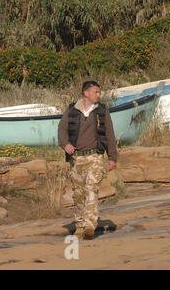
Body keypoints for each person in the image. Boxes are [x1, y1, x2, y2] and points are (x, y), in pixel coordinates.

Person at [58, 80, 117, 239]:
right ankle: (80, 226)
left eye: (99, 92)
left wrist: (112, 157)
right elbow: (62, 129)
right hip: (76, 159)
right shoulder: (72, 110)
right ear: (86, 93)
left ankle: (90, 225)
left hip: (95, 157)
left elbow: (110, 134)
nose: (98, 95)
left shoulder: (102, 111)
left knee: (92, 189)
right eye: (95, 92)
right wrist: (65, 144)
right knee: (78, 195)